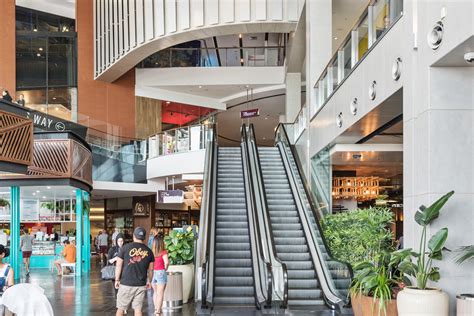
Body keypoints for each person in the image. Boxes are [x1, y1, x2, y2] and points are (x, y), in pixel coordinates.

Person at [115, 227, 154, 316]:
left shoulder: (125, 248)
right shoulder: (149, 251)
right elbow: (151, 270)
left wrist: (117, 279)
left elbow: (118, 265)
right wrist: (149, 281)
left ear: (133, 236)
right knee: (138, 309)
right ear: (144, 237)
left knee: (121, 309)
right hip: (141, 284)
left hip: (126, 284)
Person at [151, 235, 169, 316]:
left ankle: (156, 309)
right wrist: (165, 268)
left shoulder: (152, 253)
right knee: (160, 293)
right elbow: (167, 262)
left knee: (155, 292)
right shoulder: (163, 252)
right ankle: (158, 311)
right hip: (161, 272)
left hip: (153, 273)